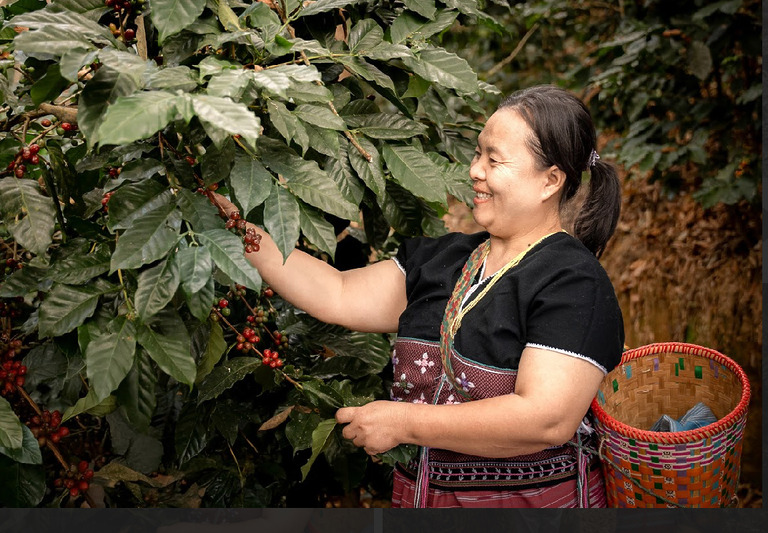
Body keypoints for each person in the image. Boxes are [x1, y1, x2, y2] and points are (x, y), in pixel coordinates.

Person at [211, 84, 625, 508]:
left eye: (494, 160)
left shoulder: (575, 283)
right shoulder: (444, 259)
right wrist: (235, 226)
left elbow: (546, 419)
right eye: (477, 154)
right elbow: (337, 292)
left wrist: (406, 422)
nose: (475, 171)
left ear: (550, 180)